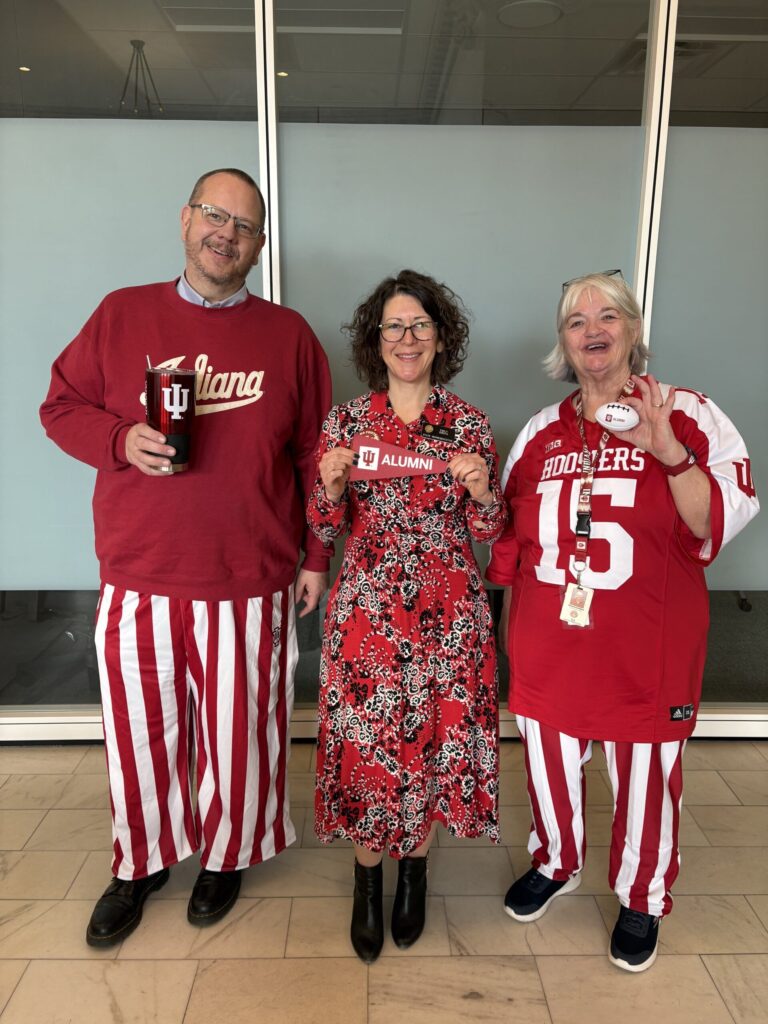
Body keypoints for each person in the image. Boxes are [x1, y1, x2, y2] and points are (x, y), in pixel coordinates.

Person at [40, 168, 332, 946]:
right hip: (140, 572)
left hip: (251, 574)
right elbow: (59, 406)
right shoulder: (121, 313)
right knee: (142, 735)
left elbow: (315, 454)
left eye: (243, 225)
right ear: (185, 220)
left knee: (242, 736)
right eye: (213, 215)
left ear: (259, 245)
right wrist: (118, 439)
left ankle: (227, 856)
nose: (225, 234)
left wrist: (317, 554)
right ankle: (140, 863)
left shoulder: (289, 335)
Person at [487, 271, 759, 973]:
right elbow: (512, 544)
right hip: (550, 643)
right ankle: (555, 860)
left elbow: (714, 522)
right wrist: (512, 641)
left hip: (646, 648)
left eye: (608, 315)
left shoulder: (687, 414)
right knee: (548, 767)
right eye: (576, 320)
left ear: (634, 328)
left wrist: (668, 453)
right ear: (563, 341)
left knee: (644, 780)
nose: (593, 330)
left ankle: (642, 895)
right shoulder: (542, 433)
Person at [306, 269, 507, 962]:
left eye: (420, 324)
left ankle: (414, 877)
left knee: (432, 744)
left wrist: (483, 494)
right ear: (376, 340)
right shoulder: (347, 423)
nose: (407, 337)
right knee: (368, 747)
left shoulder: (469, 424)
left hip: (449, 616)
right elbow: (323, 526)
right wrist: (331, 487)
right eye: (394, 326)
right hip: (368, 612)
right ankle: (366, 883)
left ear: (441, 337)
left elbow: (489, 532)